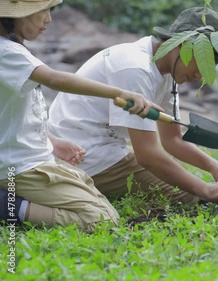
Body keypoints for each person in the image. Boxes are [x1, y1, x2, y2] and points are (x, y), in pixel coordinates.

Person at [48, 7, 218, 207]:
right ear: (183, 46)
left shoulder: (165, 70)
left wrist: (216, 168)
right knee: (192, 200)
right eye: (203, 62)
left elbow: (173, 139)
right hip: (81, 155)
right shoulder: (136, 69)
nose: (200, 75)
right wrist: (206, 190)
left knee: (189, 187)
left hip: (106, 148)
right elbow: (147, 155)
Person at [0, 0, 163, 232]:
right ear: (12, 17)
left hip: (34, 159)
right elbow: (55, 79)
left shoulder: (12, 49)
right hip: (20, 167)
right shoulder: (7, 52)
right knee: (101, 220)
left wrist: (52, 142)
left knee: (95, 199)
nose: (49, 19)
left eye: (50, 10)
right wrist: (120, 92)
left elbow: (10, 115)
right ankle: (8, 207)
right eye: (41, 11)